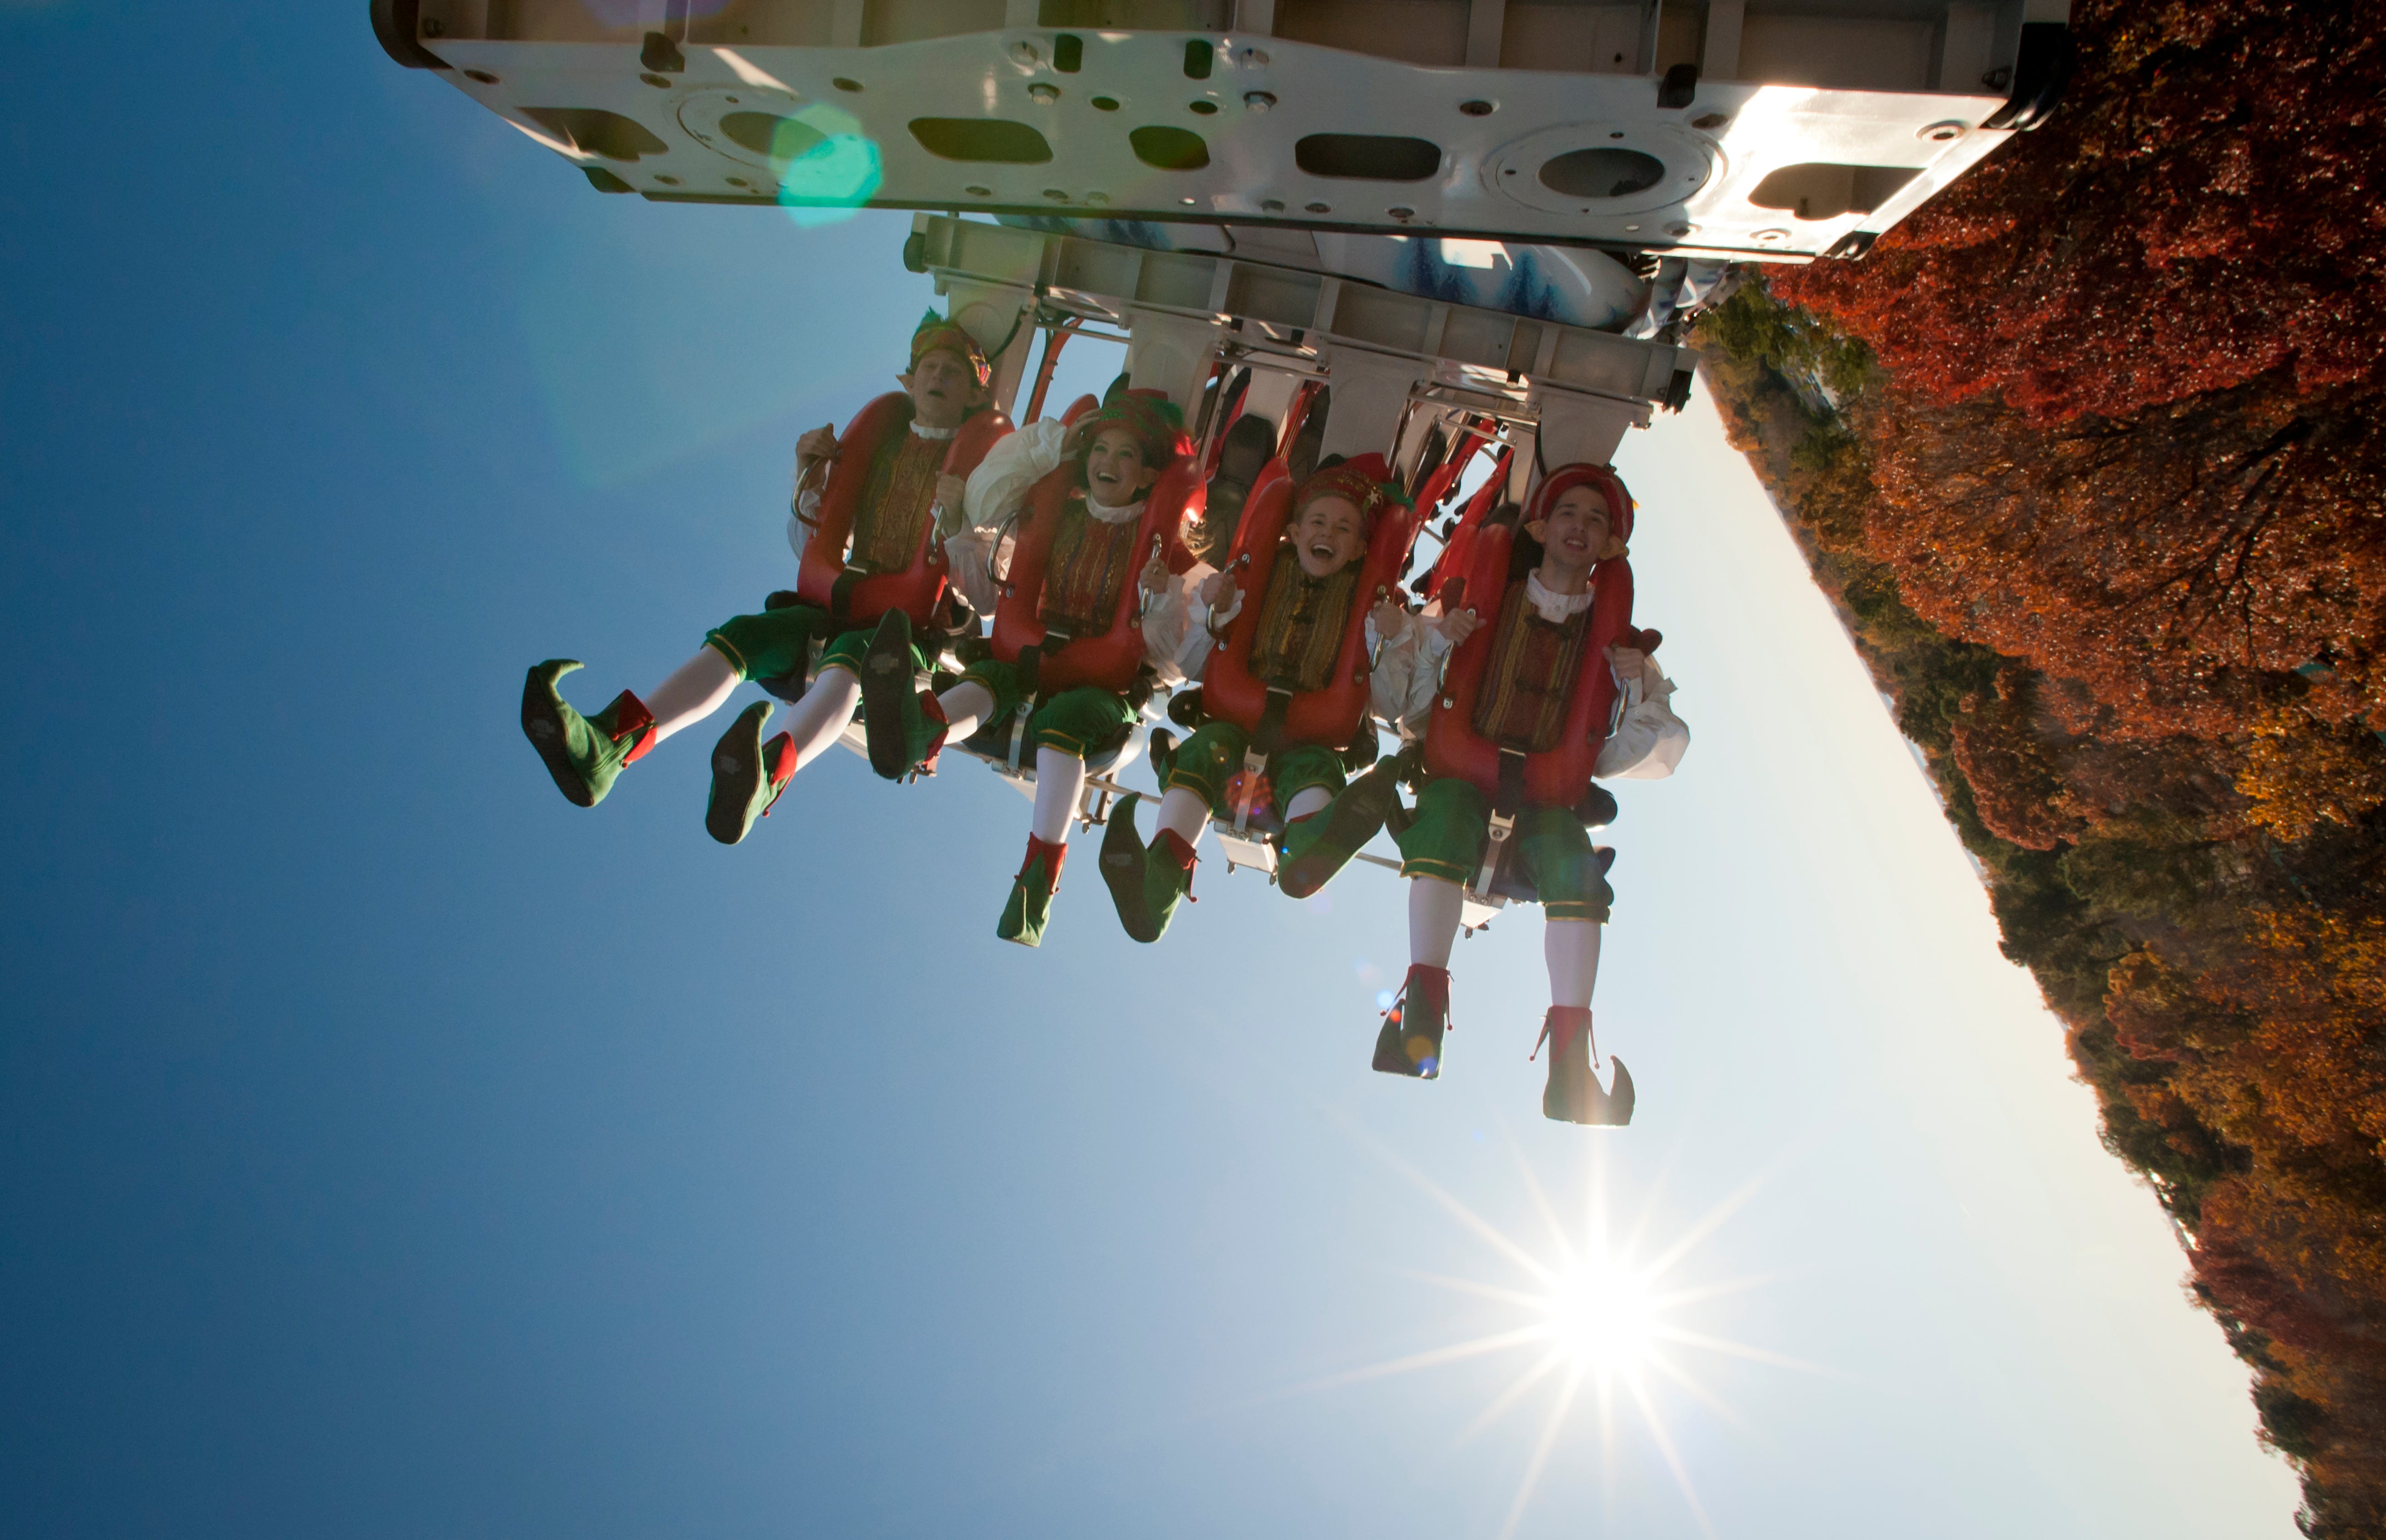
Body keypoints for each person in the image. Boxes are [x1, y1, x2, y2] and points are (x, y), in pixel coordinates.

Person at [517, 311, 1000, 843]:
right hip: (829, 605)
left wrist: (961, 522)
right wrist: (807, 472)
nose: (936, 377)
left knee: (849, 664)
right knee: (743, 636)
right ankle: (608, 747)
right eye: (928, 368)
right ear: (908, 382)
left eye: (951, 373)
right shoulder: (879, 444)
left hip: (899, 635)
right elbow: (809, 543)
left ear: (976, 397)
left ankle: (767, 776)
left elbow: (985, 597)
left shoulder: (979, 476)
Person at [1378, 463, 1687, 1126]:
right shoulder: (1485, 601)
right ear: (1543, 527)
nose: (1581, 528)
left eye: (1597, 521)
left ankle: (1571, 1070)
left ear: (1610, 546)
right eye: (1569, 514)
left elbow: (1641, 744)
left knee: (1577, 872)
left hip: (1549, 797)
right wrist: (1442, 643)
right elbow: (1410, 697)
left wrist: (1637, 681)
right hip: (1464, 772)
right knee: (1442, 822)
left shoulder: (1616, 641)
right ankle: (1419, 1010)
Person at [857, 384, 1207, 946]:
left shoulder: (1168, 556)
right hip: (1029, 660)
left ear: (1146, 476)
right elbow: (992, 598)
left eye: (1124, 455)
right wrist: (957, 528)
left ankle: (1037, 884)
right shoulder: (1052, 516)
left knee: (1062, 722)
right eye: (1099, 451)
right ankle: (916, 731)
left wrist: (1161, 597)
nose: (1106, 464)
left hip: (1102, 689)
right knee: (987, 677)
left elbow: (1174, 661)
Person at [1096, 456, 1462, 942]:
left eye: (1343, 528)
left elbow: (1390, 705)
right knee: (1205, 752)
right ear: (1291, 529)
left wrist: (1393, 641)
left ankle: (1312, 842)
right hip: (1233, 723)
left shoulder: (1375, 612)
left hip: (1312, 735)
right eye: (1317, 521)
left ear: (1358, 549)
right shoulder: (1253, 581)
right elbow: (1191, 664)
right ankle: (1159, 875)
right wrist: (1212, 608)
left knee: (1313, 768)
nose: (1327, 533)